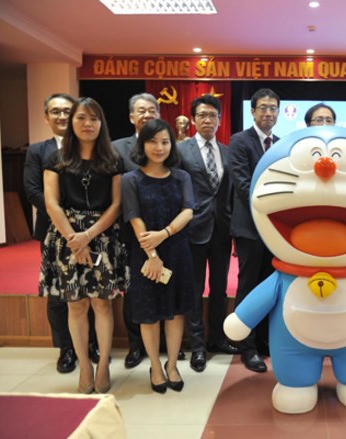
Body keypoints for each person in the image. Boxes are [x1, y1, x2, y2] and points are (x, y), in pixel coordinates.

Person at [39, 97, 127, 393]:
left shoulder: (113, 160)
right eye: (81, 118)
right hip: (66, 238)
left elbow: (116, 205)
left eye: (93, 118)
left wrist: (87, 237)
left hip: (102, 237)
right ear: (71, 122)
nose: (87, 124)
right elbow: (51, 203)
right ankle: (84, 365)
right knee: (75, 305)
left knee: (103, 304)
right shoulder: (57, 158)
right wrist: (74, 239)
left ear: (101, 123)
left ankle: (102, 363)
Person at [24, 93, 100, 373]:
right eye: (55, 111)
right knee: (61, 294)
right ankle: (66, 348)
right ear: (46, 117)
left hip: (92, 236)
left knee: (92, 291)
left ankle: (91, 343)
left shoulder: (93, 149)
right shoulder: (39, 151)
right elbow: (34, 191)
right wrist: (67, 227)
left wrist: (85, 232)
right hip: (54, 234)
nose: (61, 117)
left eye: (68, 111)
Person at [121, 119, 194, 393]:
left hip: (177, 251)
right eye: (152, 141)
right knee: (149, 315)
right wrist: (152, 254)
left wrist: (163, 233)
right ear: (142, 144)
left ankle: (172, 364)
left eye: (165, 141)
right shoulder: (131, 179)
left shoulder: (181, 177)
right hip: (144, 255)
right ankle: (154, 365)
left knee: (175, 313)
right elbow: (133, 217)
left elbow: (189, 210)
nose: (159, 147)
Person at [178, 94, 239, 373]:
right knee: (194, 289)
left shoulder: (227, 151)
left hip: (222, 230)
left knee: (218, 288)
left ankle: (217, 338)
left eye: (212, 115)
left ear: (219, 119)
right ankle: (198, 345)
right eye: (202, 115)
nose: (207, 120)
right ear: (193, 119)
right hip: (191, 229)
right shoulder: (181, 151)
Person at [227, 88, 280, 373]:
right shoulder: (239, 141)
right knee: (248, 286)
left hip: (276, 231)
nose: (268, 113)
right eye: (263, 108)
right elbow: (242, 183)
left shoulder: (282, 144)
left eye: (273, 108)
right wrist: (272, 207)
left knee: (269, 286)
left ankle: (263, 341)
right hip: (250, 228)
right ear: (253, 111)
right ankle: (246, 346)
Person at [112, 92, 160, 368]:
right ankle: (135, 345)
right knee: (135, 290)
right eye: (141, 111)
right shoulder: (117, 148)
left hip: (165, 229)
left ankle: (161, 342)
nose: (146, 115)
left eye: (151, 110)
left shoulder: (168, 145)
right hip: (129, 231)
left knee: (163, 284)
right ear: (131, 117)